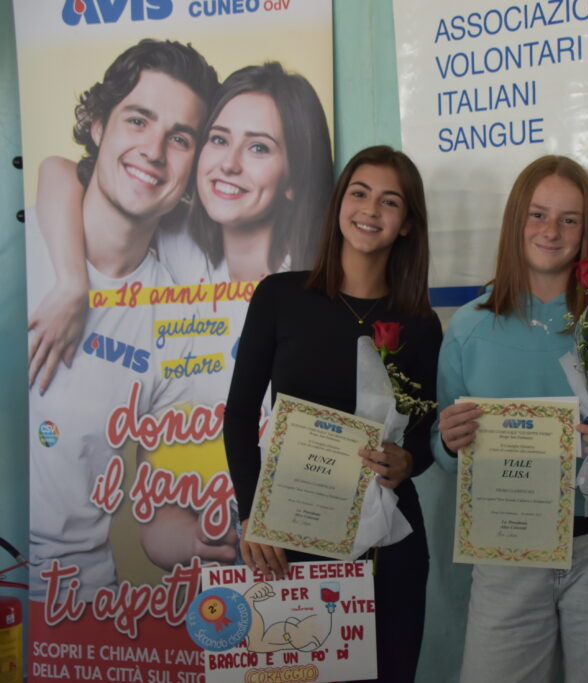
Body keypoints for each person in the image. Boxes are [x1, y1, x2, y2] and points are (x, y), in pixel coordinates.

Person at [433, 155, 588, 683]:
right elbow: (443, 445)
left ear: (586, 232)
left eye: (569, 219)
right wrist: (448, 443)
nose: (551, 231)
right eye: (538, 215)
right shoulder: (469, 329)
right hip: (507, 550)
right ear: (515, 221)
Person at [223, 145, 440, 683]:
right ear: (339, 203)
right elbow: (240, 415)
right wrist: (252, 515)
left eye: (390, 201)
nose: (371, 209)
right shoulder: (279, 297)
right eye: (359, 193)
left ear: (407, 224)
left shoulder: (420, 322)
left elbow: (426, 434)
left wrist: (409, 461)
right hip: (289, 535)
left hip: (390, 541)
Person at [25, 39, 219, 600]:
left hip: (76, 605)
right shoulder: (22, 247)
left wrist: (206, 540)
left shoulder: (177, 323)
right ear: (96, 126)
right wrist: (72, 282)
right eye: (138, 120)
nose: (154, 151)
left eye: (179, 138)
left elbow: (155, 525)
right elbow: (55, 169)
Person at [28, 61, 333, 391]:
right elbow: (60, 170)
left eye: (258, 148)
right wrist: (72, 282)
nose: (229, 164)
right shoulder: (180, 233)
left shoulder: (310, 291)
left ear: (295, 179)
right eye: (219, 139)